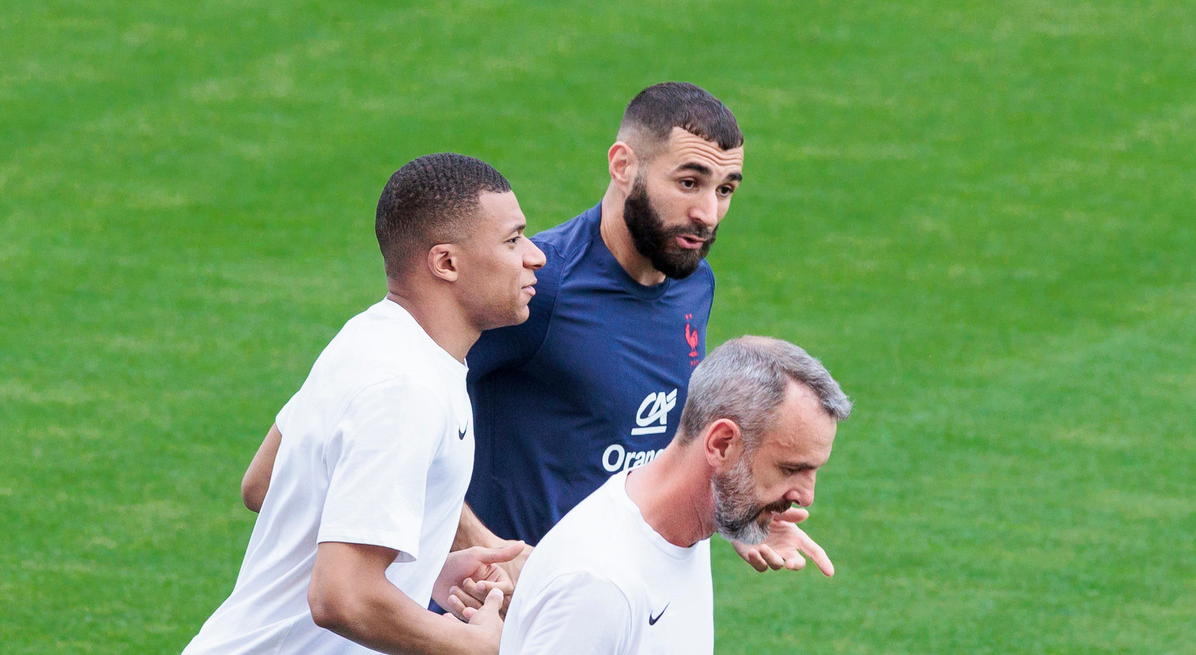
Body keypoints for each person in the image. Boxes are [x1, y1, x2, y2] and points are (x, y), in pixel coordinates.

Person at [453, 83, 826, 597]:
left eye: (725, 189)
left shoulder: (694, 282)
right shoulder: (537, 285)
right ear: (623, 165)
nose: (709, 214)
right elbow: (403, 424)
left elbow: (661, 436)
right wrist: (486, 547)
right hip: (511, 611)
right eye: (690, 182)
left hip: (628, 602)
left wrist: (739, 511)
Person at [183, 153, 547, 655]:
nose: (535, 256)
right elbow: (342, 597)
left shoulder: (372, 337)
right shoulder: (406, 388)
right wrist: (476, 647)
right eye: (512, 240)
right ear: (446, 262)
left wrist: (419, 568)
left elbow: (263, 482)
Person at [498, 336, 853, 654]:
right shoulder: (598, 585)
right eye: (790, 469)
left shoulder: (683, 523)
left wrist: (747, 521)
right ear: (721, 444)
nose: (806, 497)